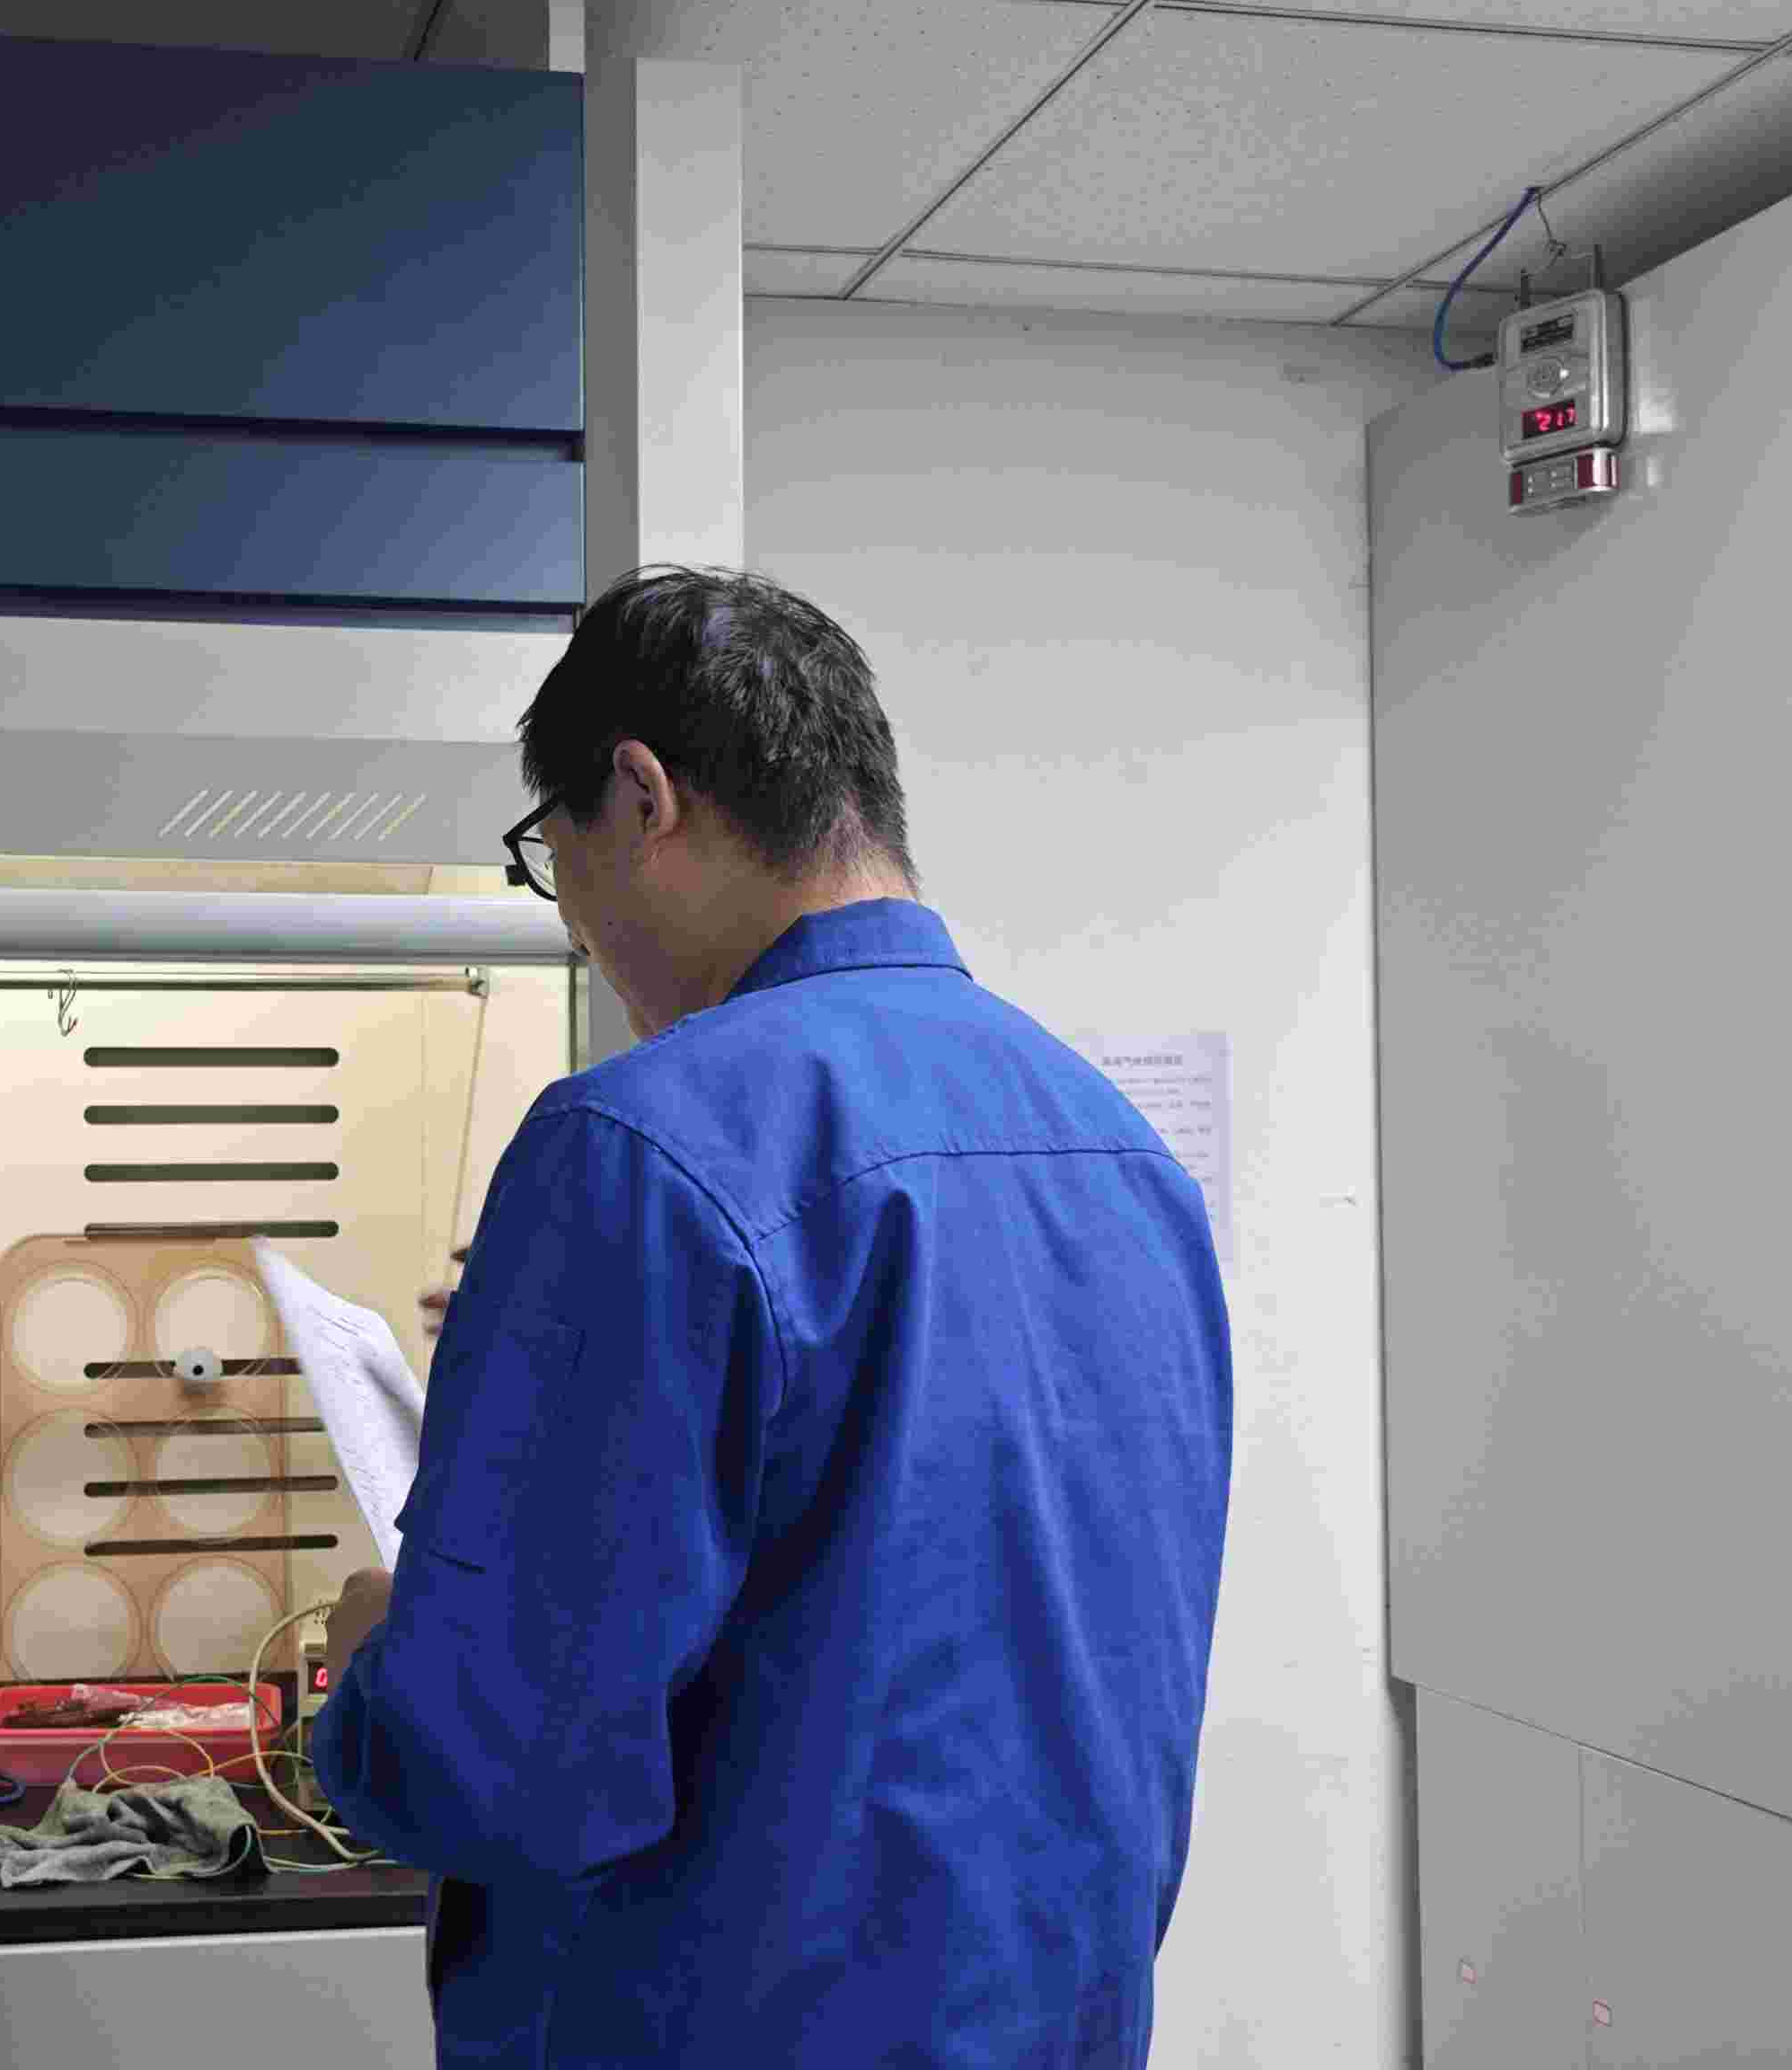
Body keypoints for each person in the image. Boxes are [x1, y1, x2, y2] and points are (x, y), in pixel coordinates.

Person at [314, 568, 1233, 2067]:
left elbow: (501, 1768)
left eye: (556, 865)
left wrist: (369, 1663)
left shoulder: (637, 1146)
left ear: (640, 797)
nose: (581, 931)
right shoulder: (1124, 1158)